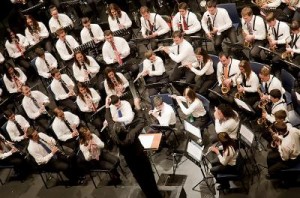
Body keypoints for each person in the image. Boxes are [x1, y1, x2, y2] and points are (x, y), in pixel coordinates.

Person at [105, 97, 162, 197]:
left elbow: (108, 119)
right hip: (140, 157)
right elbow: (141, 121)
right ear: (124, 129)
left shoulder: (114, 136)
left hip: (130, 161)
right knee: (149, 176)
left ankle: (148, 194)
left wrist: (106, 106)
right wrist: (137, 106)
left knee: (140, 178)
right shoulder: (131, 134)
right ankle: (156, 195)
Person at [260, 12, 291, 76]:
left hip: (284, 46)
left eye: (270, 23)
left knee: (275, 59)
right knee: (263, 54)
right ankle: (269, 70)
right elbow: (271, 34)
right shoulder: (270, 25)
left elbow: (288, 40)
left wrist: (276, 42)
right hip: (274, 43)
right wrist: (271, 41)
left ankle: (277, 72)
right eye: (268, 23)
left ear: (274, 20)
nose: (269, 25)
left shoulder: (284, 26)